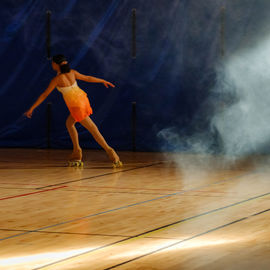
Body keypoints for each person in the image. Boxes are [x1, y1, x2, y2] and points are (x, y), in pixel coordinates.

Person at [24, 54, 122, 168]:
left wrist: (32, 108)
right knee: (69, 123)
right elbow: (88, 78)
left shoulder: (57, 79)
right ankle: (77, 150)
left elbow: (44, 94)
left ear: (56, 64)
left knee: (93, 129)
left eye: (52, 63)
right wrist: (102, 80)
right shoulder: (72, 72)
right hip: (82, 100)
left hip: (77, 105)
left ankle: (110, 152)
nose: (51, 65)